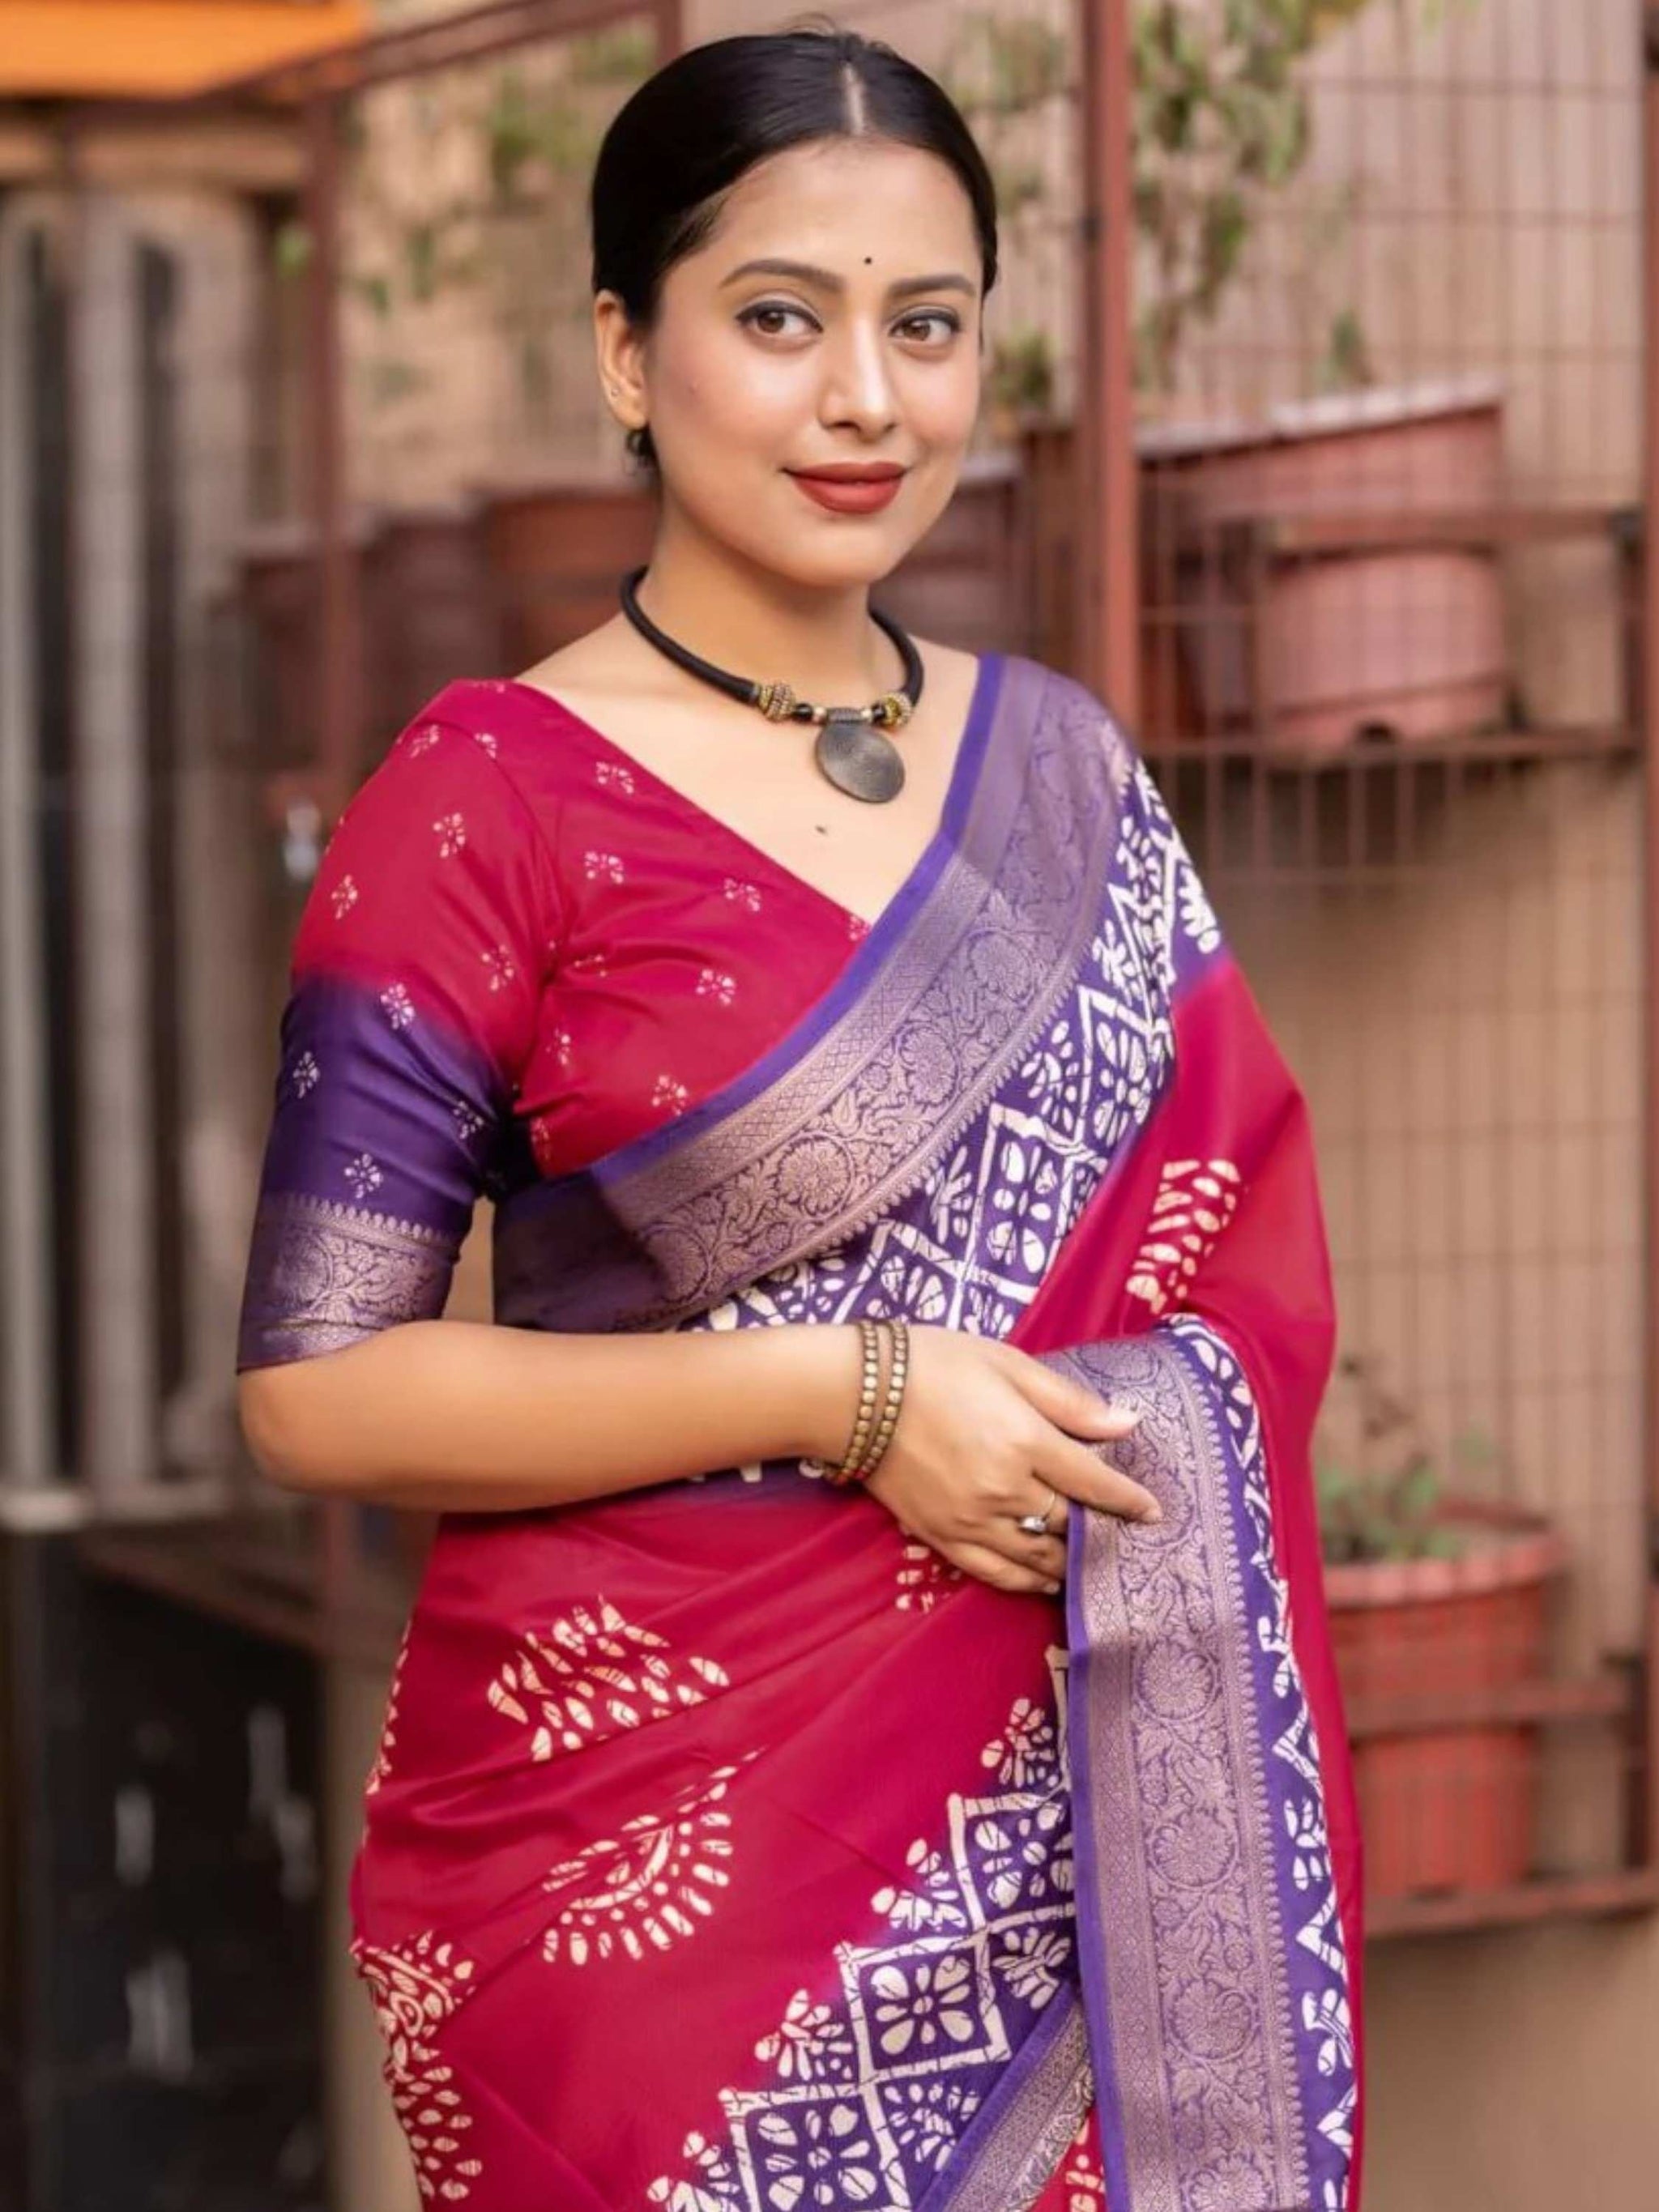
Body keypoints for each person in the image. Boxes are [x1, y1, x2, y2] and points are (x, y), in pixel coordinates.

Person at [236, 26, 1363, 2211]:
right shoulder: (482, 801)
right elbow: (319, 1388)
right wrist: (861, 1396)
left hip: (1084, 1877)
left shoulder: (1065, 775)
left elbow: (1248, 1273)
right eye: (780, 319)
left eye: (926, 327)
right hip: (653, 1915)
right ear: (626, 354)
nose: (868, 398)